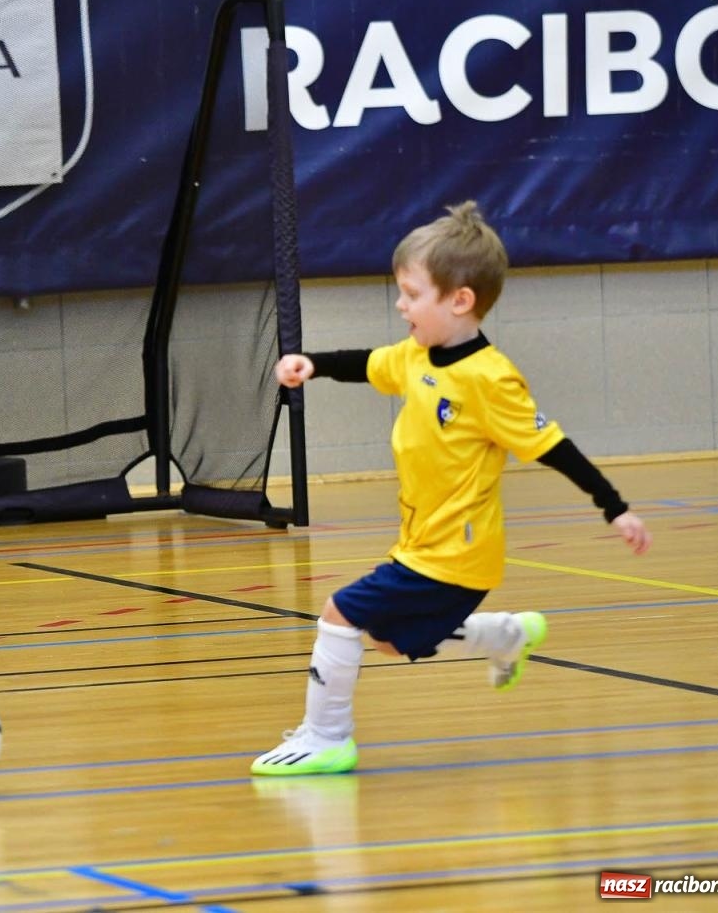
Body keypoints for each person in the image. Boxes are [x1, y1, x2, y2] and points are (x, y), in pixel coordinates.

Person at [252, 201, 652, 776]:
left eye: (412, 294)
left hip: (456, 552)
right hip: (422, 543)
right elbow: (369, 363)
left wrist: (615, 508)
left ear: (459, 300)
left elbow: (553, 446)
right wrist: (310, 363)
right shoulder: (418, 355)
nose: (400, 304)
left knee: (339, 614)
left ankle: (326, 738)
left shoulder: (491, 379)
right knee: (388, 640)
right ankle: (504, 635)